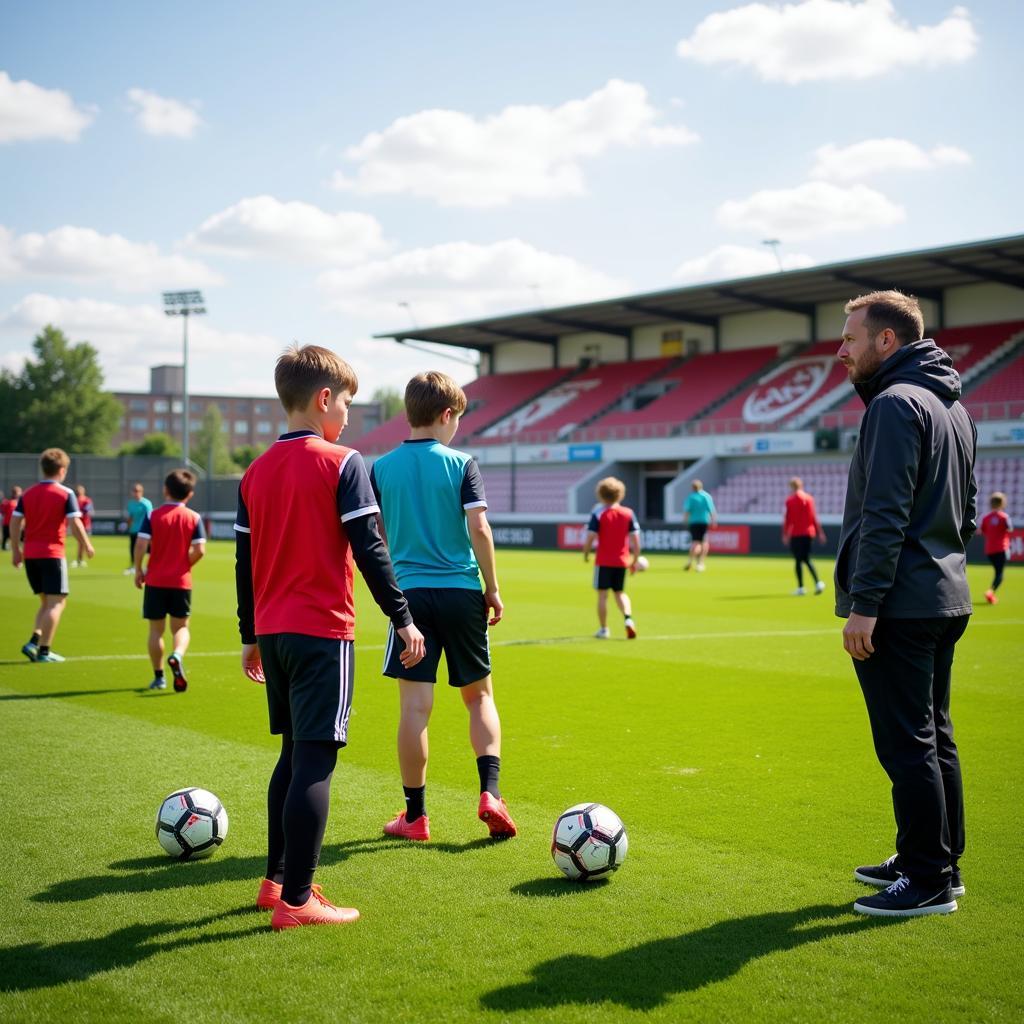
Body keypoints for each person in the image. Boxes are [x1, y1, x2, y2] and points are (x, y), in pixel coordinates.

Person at [235, 344, 425, 931]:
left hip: (274, 632)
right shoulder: (344, 462)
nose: (348, 413)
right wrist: (403, 616)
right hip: (322, 630)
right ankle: (297, 900)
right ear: (324, 399)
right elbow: (370, 549)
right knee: (315, 760)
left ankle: (274, 883)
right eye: (346, 402)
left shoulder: (254, 471)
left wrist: (250, 634)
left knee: (292, 755)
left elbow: (243, 563)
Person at [834, 290, 976, 918]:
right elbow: (967, 512)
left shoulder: (894, 404)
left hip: (900, 604)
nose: (842, 350)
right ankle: (939, 858)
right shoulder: (953, 406)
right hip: (943, 593)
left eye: (850, 338)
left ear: (886, 341)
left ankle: (927, 879)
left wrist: (866, 604)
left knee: (906, 742)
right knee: (933, 735)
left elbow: (884, 513)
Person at [371, 371, 516, 844]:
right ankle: (491, 793)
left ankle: (415, 817)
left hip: (409, 600)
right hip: (460, 592)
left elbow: (380, 538)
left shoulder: (381, 468)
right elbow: (480, 528)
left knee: (415, 707)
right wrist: (492, 587)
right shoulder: (462, 463)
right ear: (447, 414)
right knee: (479, 697)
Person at [10, 449, 94, 662]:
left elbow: (15, 522)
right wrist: (87, 545)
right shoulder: (66, 494)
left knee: (46, 602)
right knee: (57, 603)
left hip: (31, 555)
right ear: (62, 470)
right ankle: (44, 651)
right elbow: (75, 523)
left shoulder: (28, 493)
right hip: (52, 554)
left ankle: (33, 642)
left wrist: (16, 550)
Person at [134, 469, 206, 692]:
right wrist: (185, 565)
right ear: (190, 494)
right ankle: (177, 655)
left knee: (156, 630)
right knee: (181, 627)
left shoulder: (152, 515)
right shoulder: (194, 517)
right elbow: (200, 550)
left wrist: (138, 569)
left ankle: (159, 677)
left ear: (165, 490)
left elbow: (140, 544)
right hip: (180, 582)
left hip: (155, 581)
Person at [582, 477, 640, 640]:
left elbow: (591, 537)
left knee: (602, 595)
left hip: (604, 561)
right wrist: (634, 560)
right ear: (620, 494)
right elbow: (635, 540)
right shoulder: (628, 513)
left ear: (600, 494)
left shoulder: (599, 513)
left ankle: (604, 629)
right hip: (622, 561)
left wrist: (586, 553)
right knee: (620, 592)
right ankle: (628, 619)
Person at [782, 477, 826, 595]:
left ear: (791, 486)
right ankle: (817, 583)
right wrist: (820, 533)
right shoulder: (809, 499)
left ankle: (802, 587)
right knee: (806, 558)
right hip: (808, 533)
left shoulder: (790, 501)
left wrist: (785, 534)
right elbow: (813, 517)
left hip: (796, 534)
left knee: (798, 560)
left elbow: (787, 519)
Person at [979, 492, 1013, 605]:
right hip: (1002, 549)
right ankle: (990, 592)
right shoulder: (1004, 517)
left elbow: (981, 531)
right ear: (1002, 503)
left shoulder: (986, 517)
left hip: (990, 550)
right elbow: (1010, 529)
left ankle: (991, 595)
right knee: (999, 573)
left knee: (997, 571)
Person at [683, 480, 716, 572]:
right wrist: (713, 521)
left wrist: (685, 521)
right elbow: (711, 510)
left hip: (694, 522)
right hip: (704, 522)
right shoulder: (706, 496)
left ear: (692, 487)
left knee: (695, 542)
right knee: (704, 542)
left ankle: (690, 561)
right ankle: (700, 563)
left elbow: (687, 511)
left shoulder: (691, 497)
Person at [124, 483, 153, 575]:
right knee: (133, 548)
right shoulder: (131, 504)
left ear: (142, 492)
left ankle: (148, 567)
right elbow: (130, 517)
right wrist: (128, 525)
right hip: (134, 530)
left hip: (145, 531)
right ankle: (133, 566)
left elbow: (150, 517)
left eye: (138, 491)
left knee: (149, 550)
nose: (136, 493)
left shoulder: (146, 503)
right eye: (134, 491)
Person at [72, 484, 94, 568]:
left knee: (82, 543)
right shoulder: (75, 500)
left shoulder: (87, 500)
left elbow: (87, 511)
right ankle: (79, 560)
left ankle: (80, 559)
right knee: (81, 543)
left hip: (86, 524)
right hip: (79, 525)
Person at [2, 485, 22, 550]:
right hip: (8, 523)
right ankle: (5, 547)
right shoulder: (9, 503)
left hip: (14, 524)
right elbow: (2, 512)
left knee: (16, 537)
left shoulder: (18, 503)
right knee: (6, 537)